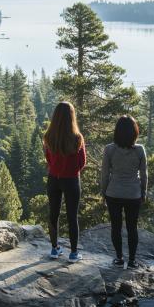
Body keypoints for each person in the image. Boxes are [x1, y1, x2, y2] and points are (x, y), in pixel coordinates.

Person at [100, 115, 148, 268]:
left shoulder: (109, 149)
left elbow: (105, 174)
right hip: (133, 194)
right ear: (134, 132)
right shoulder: (140, 150)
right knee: (132, 228)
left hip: (113, 193)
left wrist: (103, 192)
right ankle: (132, 260)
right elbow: (144, 174)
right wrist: (143, 192)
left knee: (116, 227)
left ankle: (119, 258)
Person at [43, 102, 86, 262]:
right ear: (71, 117)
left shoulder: (49, 136)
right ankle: (73, 253)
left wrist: (57, 167)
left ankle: (54, 249)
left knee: (53, 214)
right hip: (72, 180)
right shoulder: (77, 138)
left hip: (53, 179)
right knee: (72, 216)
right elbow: (82, 162)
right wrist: (71, 170)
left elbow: (48, 158)